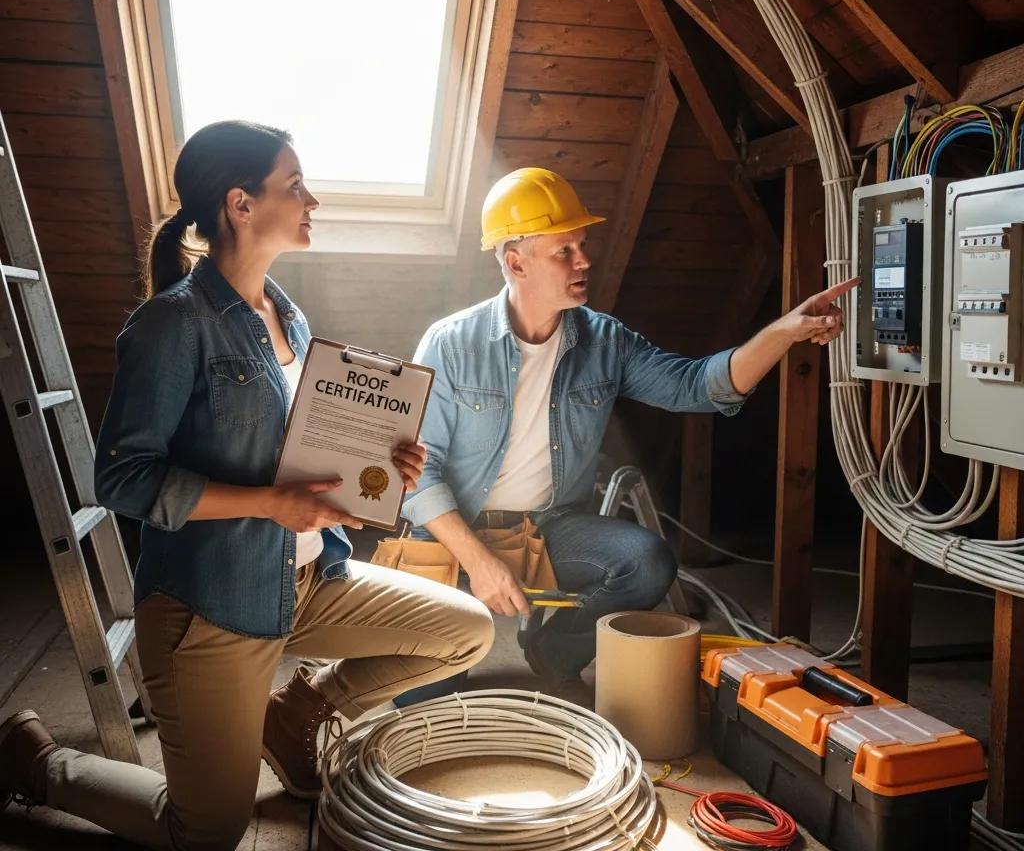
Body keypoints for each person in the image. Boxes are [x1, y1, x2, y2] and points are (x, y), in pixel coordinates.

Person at [0, 121, 494, 849]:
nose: (311, 200)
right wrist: (268, 503)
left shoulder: (283, 313)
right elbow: (121, 478)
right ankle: (39, 761)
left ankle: (291, 713)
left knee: (468, 633)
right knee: (206, 833)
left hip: (304, 579)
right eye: (294, 186)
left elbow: (296, 451)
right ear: (240, 202)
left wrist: (384, 466)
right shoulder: (171, 325)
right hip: (210, 608)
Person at [399, 166, 855, 698]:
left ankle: (554, 650)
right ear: (516, 261)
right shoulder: (452, 343)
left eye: (581, 244)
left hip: (548, 527)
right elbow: (416, 474)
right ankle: (442, 645)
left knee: (645, 561)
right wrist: (479, 562)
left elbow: (697, 387)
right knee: (421, 699)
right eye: (563, 251)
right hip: (454, 531)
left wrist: (783, 333)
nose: (584, 260)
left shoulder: (604, 341)